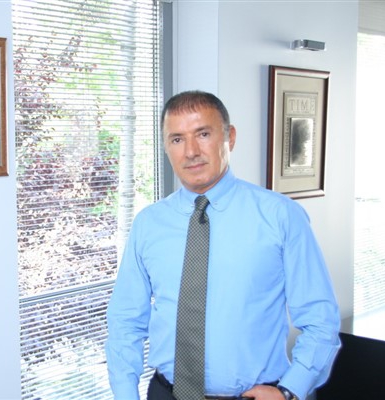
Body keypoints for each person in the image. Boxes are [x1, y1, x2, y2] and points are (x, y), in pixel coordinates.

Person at [105, 91, 341, 400]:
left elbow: (320, 318)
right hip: (165, 393)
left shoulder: (281, 216)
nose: (191, 151)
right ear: (166, 146)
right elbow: (125, 321)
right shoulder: (148, 224)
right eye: (177, 139)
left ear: (229, 137)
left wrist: (290, 390)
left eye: (203, 134)